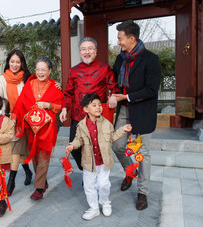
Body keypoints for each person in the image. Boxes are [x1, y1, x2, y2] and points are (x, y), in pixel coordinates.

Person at [111, 20, 161, 211]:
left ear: (131, 38)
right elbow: (114, 81)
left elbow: (151, 89)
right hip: (124, 109)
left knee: (143, 153)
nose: (118, 42)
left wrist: (127, 96)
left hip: (143, 111)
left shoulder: (151, 59)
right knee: (117, 145)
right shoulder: (120, 59)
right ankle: (130, 172)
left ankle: (143, 192)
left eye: (120, 38)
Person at [66, 93, 132, 220]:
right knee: (89, 186)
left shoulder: (106, 123)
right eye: (94, 105)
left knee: (103, 184)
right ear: (86, 109)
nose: (98, 108)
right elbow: (78, 140)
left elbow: (112, 137)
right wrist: (72, 146)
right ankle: (94, 208)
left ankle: (105, 201)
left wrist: (123, 129)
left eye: (100, 105)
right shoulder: (81, 125)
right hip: (88, 162)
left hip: (103, 162)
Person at [59, 37, 120, 171]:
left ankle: (91, 173)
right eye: (83, 49)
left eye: (90, 48)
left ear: (96, 51)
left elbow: (114, 88)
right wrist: (64, 108)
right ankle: (88, 169)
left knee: (95, 147)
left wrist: (113, 97)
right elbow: (68, 93)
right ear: (80, 52)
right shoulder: (73, 70)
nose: (87, 52)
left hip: (96, 117)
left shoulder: (104, 68)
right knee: (74, 148)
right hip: (77, 116)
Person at [12, 57, 63, 200]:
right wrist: (15, 116)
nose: (40, 72)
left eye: (43, 69)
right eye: (38, 69)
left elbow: (59, 106)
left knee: (44, 156)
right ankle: (43, 181)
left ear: (50, 71)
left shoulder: (55, 87)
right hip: (30, 126)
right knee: (34, 155)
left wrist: (48, 105)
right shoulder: (29, 83)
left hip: (47, 128)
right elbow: (21, 101)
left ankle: (39, 189)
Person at [0, 49, 33, 196]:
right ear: (8, 62)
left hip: (26, 120)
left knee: (22, 151)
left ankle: (27, 173)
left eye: (18, 62)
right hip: (10, 121)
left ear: (22, 63)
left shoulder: (27, 78)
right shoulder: (2, 79)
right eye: (12, 61)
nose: (15, 64)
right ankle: (12, 181)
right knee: (16, 150)